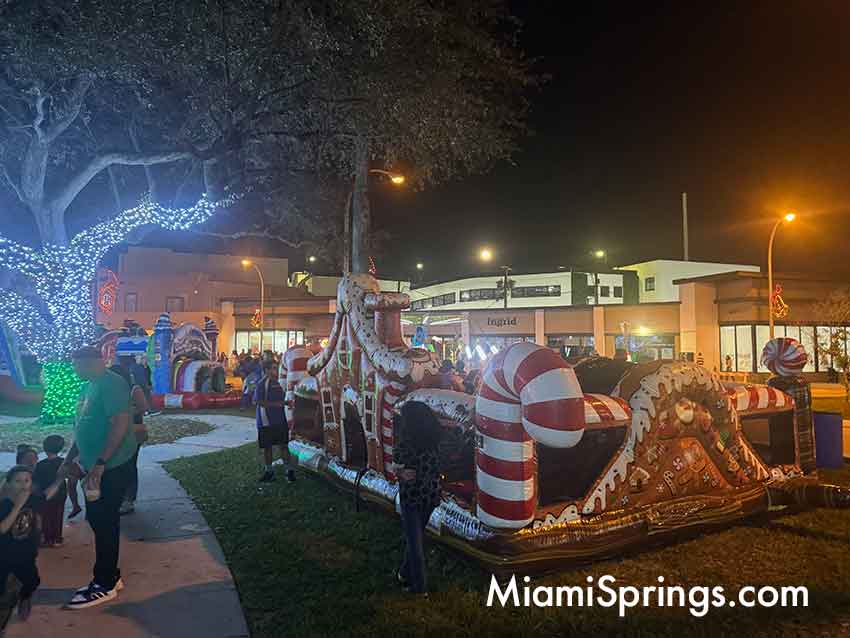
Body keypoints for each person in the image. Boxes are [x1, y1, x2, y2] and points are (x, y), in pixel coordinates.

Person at [59, 345, 138, 609]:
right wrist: (70, 458)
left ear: (93, 362)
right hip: (93, 466)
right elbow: (81, 425)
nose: (74, 370)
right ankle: (110, 577)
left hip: (111, 466)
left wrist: (101, 464)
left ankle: (104, 584)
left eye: (77, 365)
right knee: (97, 518)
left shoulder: (111, 383)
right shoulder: (88, 385)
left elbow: (120, 424)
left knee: (104, 520)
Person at [0, 464, 68, 633]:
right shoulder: (4, 505)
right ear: (8, 484)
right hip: (3, 555)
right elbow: (2, 528)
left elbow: (46, 495)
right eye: (18, 481)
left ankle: (25, 596)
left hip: (25, 554)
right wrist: (17, 506)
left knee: (32, 581)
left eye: (27, 480)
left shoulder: (32, 500)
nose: (23, 485)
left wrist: (60, 479)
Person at [393, 401, 442, 595]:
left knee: (415, 543)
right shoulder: (435, 441)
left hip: (411, 497)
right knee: (417, 537)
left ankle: (419, 589)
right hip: (430, 495)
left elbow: (396, 463)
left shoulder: (406, 443)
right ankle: (404, 573)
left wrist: (399, 471)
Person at [108, 365, 148, 515]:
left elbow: (143, 408)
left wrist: (123, 412)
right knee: (118, 464)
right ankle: (118, 497)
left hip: (132, 431)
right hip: (115, 431)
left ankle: (128, 500)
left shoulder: (133, 389)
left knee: (130, 465)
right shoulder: (111, 390)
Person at [254, 360, 295, 483]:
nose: (275, 371)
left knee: (284, 446)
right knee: (268, 448)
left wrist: (287, 403)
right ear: (266, 370)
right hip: (266, 421)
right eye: (272, 368)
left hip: (280, 420)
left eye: (276, 368)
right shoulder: (262, 384)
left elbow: (281, 400)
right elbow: (258, 402)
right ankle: (269, 472)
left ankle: (289, 471)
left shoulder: (278, 383)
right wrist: (280, 404)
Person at [33, 435, 68, 547]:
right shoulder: (63, 463)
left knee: (46, 516)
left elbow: (36, 482)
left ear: (44, 447)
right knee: (58, 515)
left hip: (45, 494)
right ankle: (57, 539)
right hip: (61, 493)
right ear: (61, 448)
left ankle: (47, 538)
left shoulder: (40, 465)